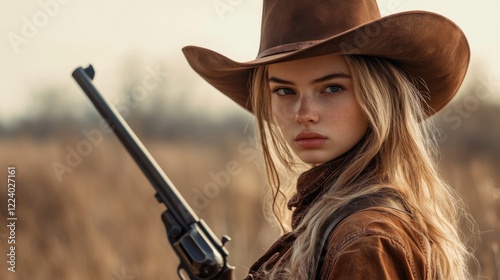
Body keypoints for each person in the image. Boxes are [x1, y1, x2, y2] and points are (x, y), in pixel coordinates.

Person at [182, 0, 475, 279]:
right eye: (284, 91)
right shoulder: (343, 223)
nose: (304, 114)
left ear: (378, 97)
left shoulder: (365, 241)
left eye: (332, 88)